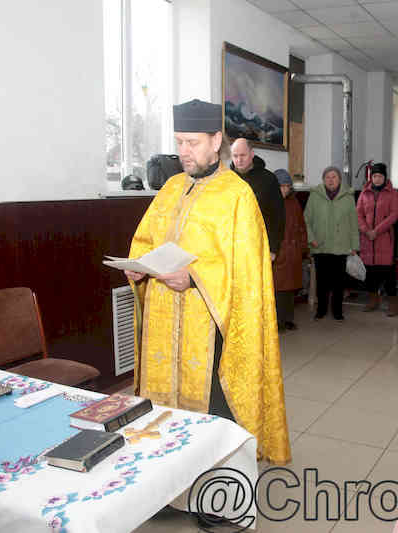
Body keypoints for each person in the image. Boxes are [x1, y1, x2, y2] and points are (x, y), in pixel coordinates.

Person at [125, 99, 290, 464]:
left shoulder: (237, 196)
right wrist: (138, 267)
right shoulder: (169, 188)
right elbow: (146, 240)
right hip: (163, 321)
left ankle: (219, 495)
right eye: (179, 142)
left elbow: (247, 273)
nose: (184, 151)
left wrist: (197, 280)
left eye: (192, 142)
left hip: (211, 324)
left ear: (217, 141)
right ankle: (164, 485)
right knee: (161, 407)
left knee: (215, 413)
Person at [304, 166, 360, 321]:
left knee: (338, 282)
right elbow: (306, 220)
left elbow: (353, 223)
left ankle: (338, 311)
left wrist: (354, 245)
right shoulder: (315, 195)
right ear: (323, 180)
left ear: (339, 180)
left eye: (334, 177)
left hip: (341, 246)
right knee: (321, 282)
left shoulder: (348, 197)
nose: (330, 180)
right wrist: (311, 238)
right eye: (327, 177)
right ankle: (321, 310)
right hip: (319, 245)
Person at [357, 162, 398, 316]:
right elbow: (358, 214)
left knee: (388, 273)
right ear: (371, 177)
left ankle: (393, 303)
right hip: (367, 239)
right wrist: (366, 230)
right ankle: (373, 300)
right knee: (370, 273)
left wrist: (377, 230)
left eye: (380, 176)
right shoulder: (364, 193)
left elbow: (394, 215)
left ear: (385, 177)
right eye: (374, 176)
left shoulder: (392, 193)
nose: (377, 179)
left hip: (384, 239)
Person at [231, 138, 285, 259]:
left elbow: (278, 216)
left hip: (259, 246)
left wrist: (273, 248)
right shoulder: (226, 179)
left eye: (243, 155)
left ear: (252, 154)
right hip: (231, 248)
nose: (239, 160)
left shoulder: (269, 179)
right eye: (235, 156)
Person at [273, 169, 308, 332]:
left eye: (287, 186)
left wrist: (302, 247)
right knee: (278, 290)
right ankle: (277, 322)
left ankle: (288, 319)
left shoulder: (294, 202)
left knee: (290, 289)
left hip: (293, 251)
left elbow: (301, 226)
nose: (284, 190)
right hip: (277, 252)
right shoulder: (270, 202)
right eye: (281, 186)